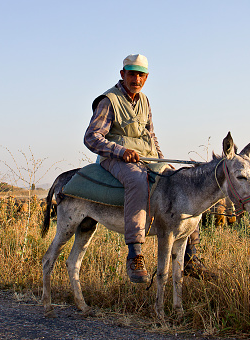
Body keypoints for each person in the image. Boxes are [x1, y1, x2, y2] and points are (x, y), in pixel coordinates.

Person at [84, 54, 211, 283]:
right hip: (116, 159)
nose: (137, 78)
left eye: (141, 74)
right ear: (122, 74)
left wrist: (163, 162)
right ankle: (135, 253)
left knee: (181, 181)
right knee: (136, 180)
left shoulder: (145, 101)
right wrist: (121, 152)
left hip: (147, 157)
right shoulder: (108, 100)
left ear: (147, 77)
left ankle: (191, 256)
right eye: (132, 73)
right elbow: (92, 138)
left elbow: (150, 136)